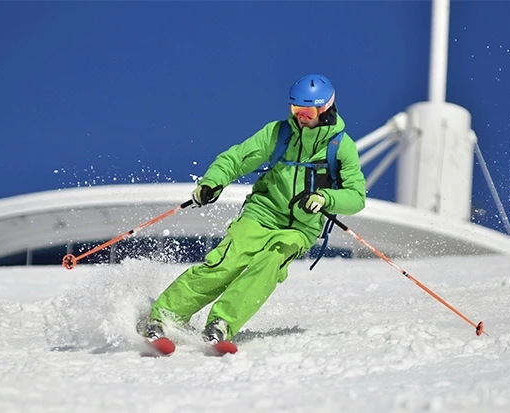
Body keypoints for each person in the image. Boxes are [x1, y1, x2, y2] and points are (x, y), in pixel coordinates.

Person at [144, 73, 366, 344]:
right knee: (227, 262)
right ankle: (164, 315)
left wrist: (325, 198)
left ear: (325, 108)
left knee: (270, 262)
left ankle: (222, 322)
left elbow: (356, 196)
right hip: (262, 213)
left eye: (307, 111)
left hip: (300, 227)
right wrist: (212, 183)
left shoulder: (341, 147)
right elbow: (235, 158)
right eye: (295, 109)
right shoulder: (279, 133)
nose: (300, 116)